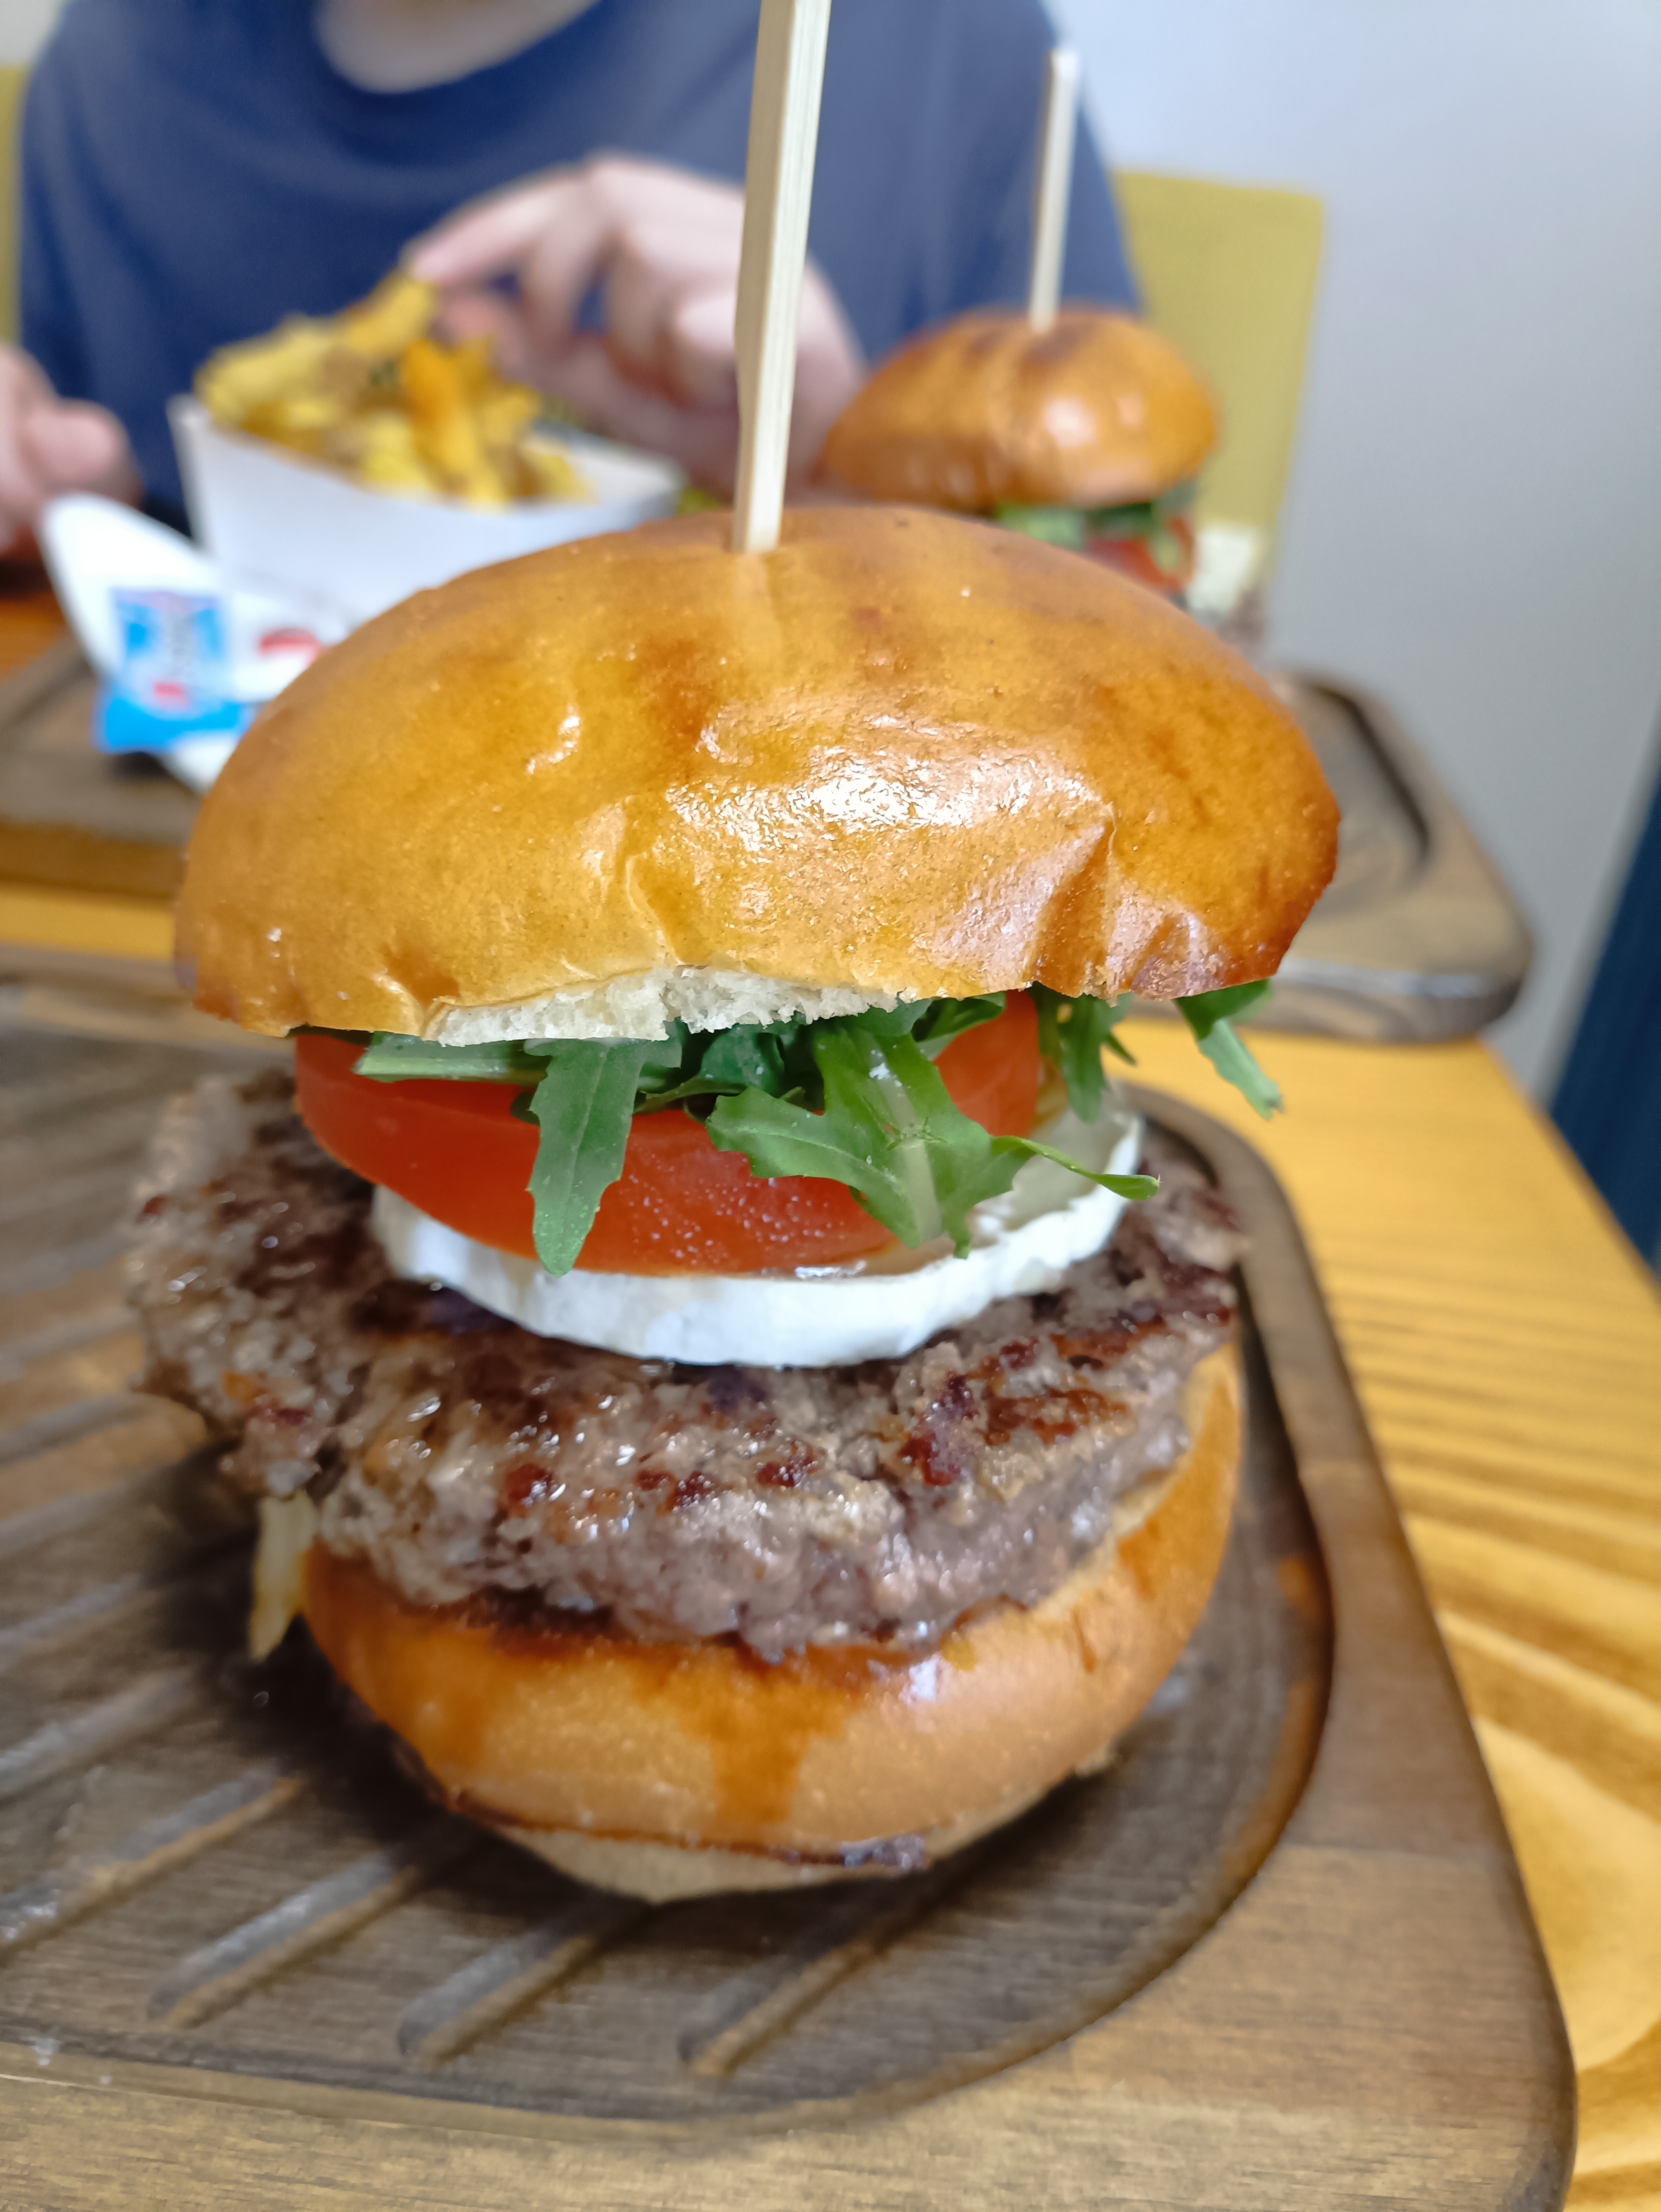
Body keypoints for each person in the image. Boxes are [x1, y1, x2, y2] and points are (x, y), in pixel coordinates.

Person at [3, 0, 1136, 552]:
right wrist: (50, 491)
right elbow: (109, 553)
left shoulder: (951, 54)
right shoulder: (107, 77)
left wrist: (847, 499)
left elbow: (1123, 623)